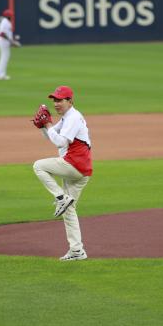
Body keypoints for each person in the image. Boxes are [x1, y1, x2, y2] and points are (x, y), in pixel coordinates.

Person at [33, 86, 93, 261]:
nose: (56, 103)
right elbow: (52, 137)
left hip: (74, 166)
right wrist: (44, 127)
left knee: (39, 166)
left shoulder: (73, 117)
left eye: (60, 100)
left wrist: (49, 124)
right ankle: (77, 250)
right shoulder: (67, 117)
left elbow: (60, 143)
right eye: (54, 100)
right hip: (80, 170)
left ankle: (61, 198)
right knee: (69, 210)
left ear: (70, 101)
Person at [0, 9, 20, 80]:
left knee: (3, 57)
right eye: (11, 15)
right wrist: (12, 42)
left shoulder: (6, 22)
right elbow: (2, 33)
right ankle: (1, 75)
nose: (12, 16)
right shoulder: (5, 22)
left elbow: (6, 34)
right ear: (9, 16)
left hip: (3, 40)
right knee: (5, 57)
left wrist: (11, 41)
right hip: (2, 41)